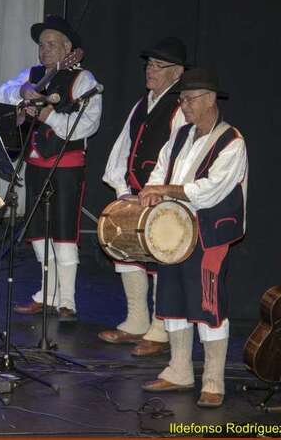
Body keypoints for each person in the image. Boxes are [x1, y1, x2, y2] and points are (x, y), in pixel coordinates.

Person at [138, 68, 247, 408]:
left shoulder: (232, 142)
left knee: (208, 304)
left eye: (189, 99)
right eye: (182, 99)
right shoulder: (180, 135)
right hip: (173, 232)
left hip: (209, 233)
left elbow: (209, 191)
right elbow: (159, 170)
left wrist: (165, 190)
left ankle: (213, 380)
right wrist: (151, 192)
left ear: (210, 99)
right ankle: (179, 370)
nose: (183, 105)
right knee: (171, 299)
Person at [0, 15, 102, 322]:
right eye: (42, 45)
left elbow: (87, 125)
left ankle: (67, 301)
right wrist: (22, 91)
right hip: (34, 162)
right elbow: (1, 92)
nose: (44, 50)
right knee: (39, 232)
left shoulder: (84, 80)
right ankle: (47, 294)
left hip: (66, 166)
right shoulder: (33, 74)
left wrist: (48, 116)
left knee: (64, 233)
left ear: (68, 49)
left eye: (51, 44)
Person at [99, 37, 188, 356]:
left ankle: (160, 329)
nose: (150, 70)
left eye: (158, 65)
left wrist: (156, 192)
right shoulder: (142, 104)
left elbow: (178, 156)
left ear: (177, 72)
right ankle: (136, 320)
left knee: (161, 258)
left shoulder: (180, 107)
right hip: (134, 193)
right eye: (149, 64)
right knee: (125, 249)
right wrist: (123, 191)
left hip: (162, 197)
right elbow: (123, 146)